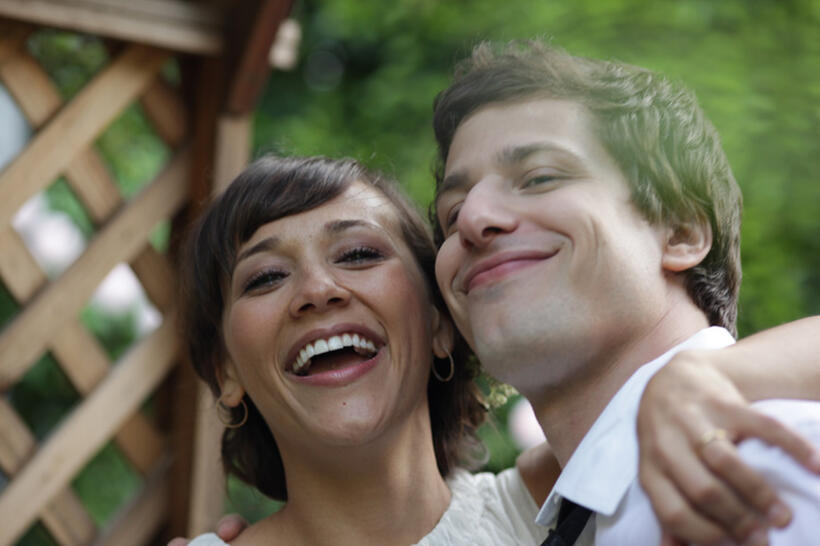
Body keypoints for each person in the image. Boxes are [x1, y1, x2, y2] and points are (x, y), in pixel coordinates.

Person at [431, 40, 820, 545]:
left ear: (679, 231)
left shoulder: (762, 462)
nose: (475, 221)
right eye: (453, 214)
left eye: (540, 177)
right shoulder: (582, 518)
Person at [178, 155, 549, 545]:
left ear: (439, 322)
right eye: (267, 277)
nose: (318, 290)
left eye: (358, 254)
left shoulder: (563, 511)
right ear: (226, 372)